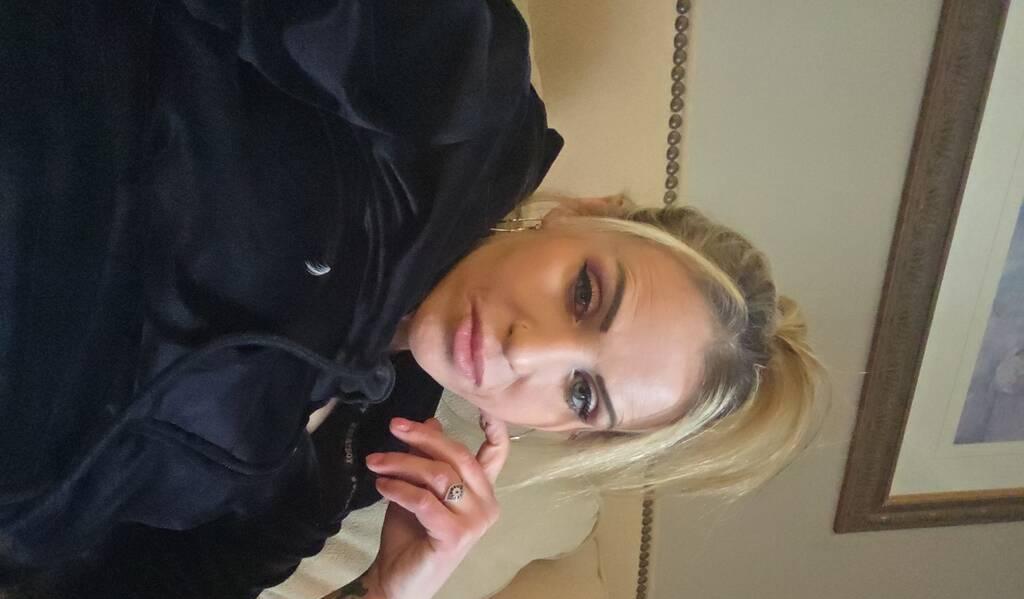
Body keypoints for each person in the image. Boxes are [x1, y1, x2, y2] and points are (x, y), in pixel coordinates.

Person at [0, 1, 821, 598]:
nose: (525, 348)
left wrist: (386, 590)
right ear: (585, 212)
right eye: (584, 291)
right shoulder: (460, 85)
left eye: (582, 391)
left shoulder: (351, 470)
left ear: (565, 431)